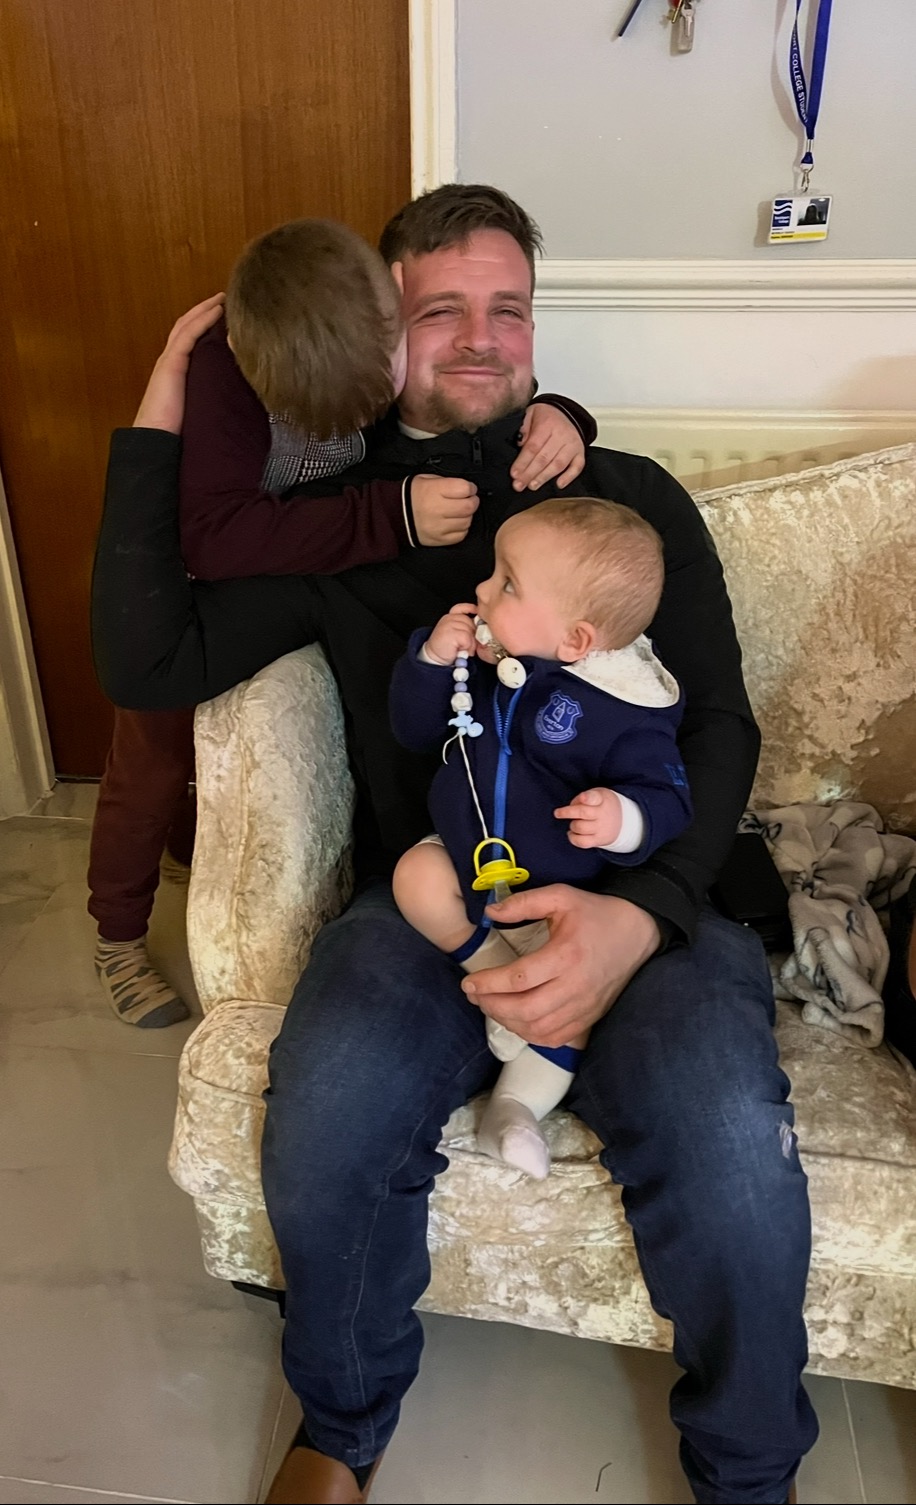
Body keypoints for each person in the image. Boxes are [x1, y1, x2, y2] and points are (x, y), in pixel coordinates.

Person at [91, 184, 818, 1505]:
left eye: (509, 309)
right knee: (326, 1109)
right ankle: (341, 1431)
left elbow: (719, 722)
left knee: (727, 1146)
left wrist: (642, 914)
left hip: (646, 894)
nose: (483, 338)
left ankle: (749, 1478)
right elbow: (144, 660)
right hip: (435, 897)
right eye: (442, 312)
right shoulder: (344, 519)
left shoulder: (624, 497)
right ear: (385, 332)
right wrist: (163, 397)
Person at [88, 216, 591, 1028]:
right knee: (150, 760)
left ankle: (184, 849)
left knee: (207, 775)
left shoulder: (370, 322)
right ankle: (116, 929)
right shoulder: (227, 367)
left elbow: (474, 394)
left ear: (394, 302)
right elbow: (211, 537)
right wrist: (390, 514)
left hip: (299, 571)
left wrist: (560, 408)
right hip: (187, 591)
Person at [390, 498, 692, 1179]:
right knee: (415, 878)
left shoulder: (626, 707)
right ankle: (492, 970)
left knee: (564, 1005)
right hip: (466, 865)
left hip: (559, 897)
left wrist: (623, 818)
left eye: (507, 583)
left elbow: (668, 794)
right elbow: (414, 730)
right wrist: (432, 660)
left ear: (577, 640)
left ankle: (514, 1111)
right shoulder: (489, 661)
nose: (481, 589)